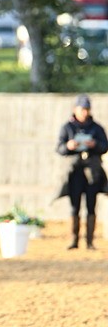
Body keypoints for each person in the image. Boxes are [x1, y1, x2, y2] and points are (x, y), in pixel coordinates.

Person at [56, 94, 107, 249]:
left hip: (92, 172)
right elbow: (59, 148)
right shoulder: (67, 128)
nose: (84, 112)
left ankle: (90, 241)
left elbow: (105, 146)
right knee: (74, 206)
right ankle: (74, 240)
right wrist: (69, 146)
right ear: (75, 109)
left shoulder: (97, 128)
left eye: (86, 109)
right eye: (81, 109)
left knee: (91, 205)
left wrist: (95, 144)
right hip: (75, 172)